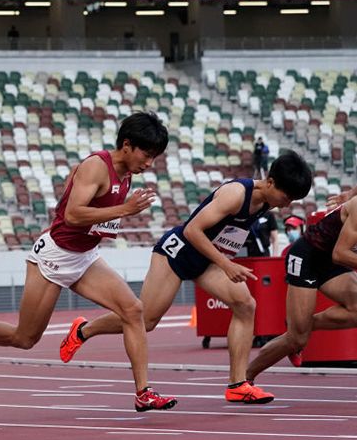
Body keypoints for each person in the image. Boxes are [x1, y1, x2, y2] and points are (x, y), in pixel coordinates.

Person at [0, 111, 177, 412]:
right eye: (147, 155)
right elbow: (73, 215)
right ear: (127, 145)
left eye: (154, 158)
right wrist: (124, 209)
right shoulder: (97, 167)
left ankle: (143, 392)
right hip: (55, 256)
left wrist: (120, 209)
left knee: (133, 310)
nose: (149, 164)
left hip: (85, 257)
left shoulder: (127, 175)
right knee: (25, 338)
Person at [62, 151, 313, 404]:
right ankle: (84, 330)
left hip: (206, 259)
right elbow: (192, 230)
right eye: (286, 196)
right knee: (146, 320)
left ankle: (238, 384)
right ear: (269, 182)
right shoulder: (236, 194)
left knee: (245, 305)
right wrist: (226, 264)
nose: (288, 203)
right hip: (176, 254)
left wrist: (222, 259)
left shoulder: (267, 202)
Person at [246, 195, 357, 387]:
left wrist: (348, 194)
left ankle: (304, 324)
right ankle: (244, 377)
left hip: (329, 260)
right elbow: (341, 254)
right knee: (297, 339)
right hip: (307, 257)